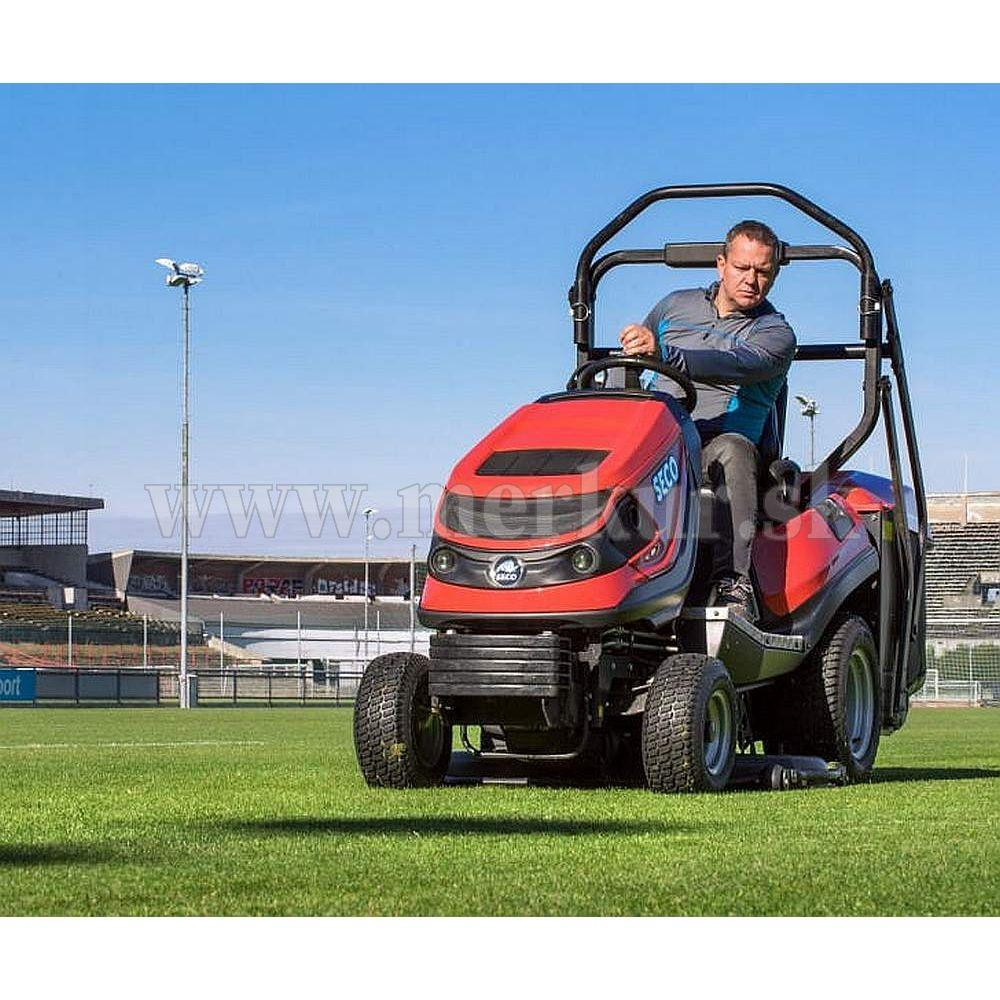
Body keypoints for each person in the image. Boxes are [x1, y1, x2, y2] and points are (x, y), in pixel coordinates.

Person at [619, 220, 796, 621]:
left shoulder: (775, 334)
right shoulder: (673, 306)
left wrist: (666, 355)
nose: (751, 280)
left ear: (774, 275)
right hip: (659, 440)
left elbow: (735, 363)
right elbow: (635, 360)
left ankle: (734, 583)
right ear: (721, 264)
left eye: (763, 271)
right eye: (742, 267)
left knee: (733, 449)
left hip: (713, 453)